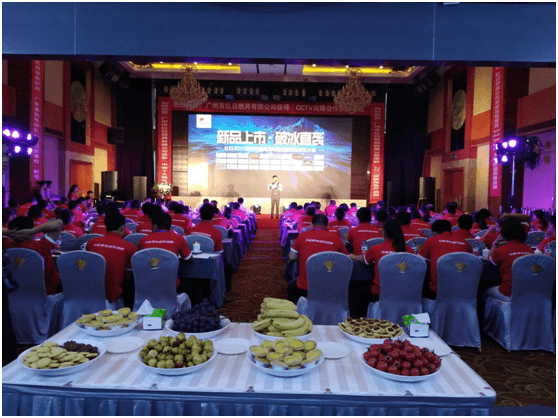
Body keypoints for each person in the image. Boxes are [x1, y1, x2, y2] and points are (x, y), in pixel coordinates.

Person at [287, 214, 348, 303]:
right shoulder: (336, 239)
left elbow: (291, 257)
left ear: (311, 225)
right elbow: (346, 260)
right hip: (329, 287)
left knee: (291, 287)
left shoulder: (303, 236)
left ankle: (297, 309)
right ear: (328, 226)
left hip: (305, 287)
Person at [351, 219, 414, 302]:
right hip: (404, 294)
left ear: (384, 233)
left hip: (379, 293)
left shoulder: (376, 249)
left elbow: (364, 259)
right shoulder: (409, 251)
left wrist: (352, 256)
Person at [86, 212, 137, 303]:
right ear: (122, 228)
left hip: (90, 292)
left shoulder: (91, 243)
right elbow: (128, 277)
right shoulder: (130, 248)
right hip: (114, 295)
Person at [5, 217, 63, 295]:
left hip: (16, 294)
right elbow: (59, 223)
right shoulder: (43, 245)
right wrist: (32, 231)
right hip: (49, 292)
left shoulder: (5, 246)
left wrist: (6, 233)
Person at [419, 219, 472, 299]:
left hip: (436, 290)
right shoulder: (464, 242)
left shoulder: (431, 240)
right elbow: (471, 260)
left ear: (434, 232)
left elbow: (419, 260)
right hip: (462, 289)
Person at [486, 218, 534, 301]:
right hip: (528, 292)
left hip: (508, 292)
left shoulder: (501, 250)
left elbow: (489, 260)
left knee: (484, 291)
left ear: (504, 233)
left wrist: (496, 242)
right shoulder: (530, 250)